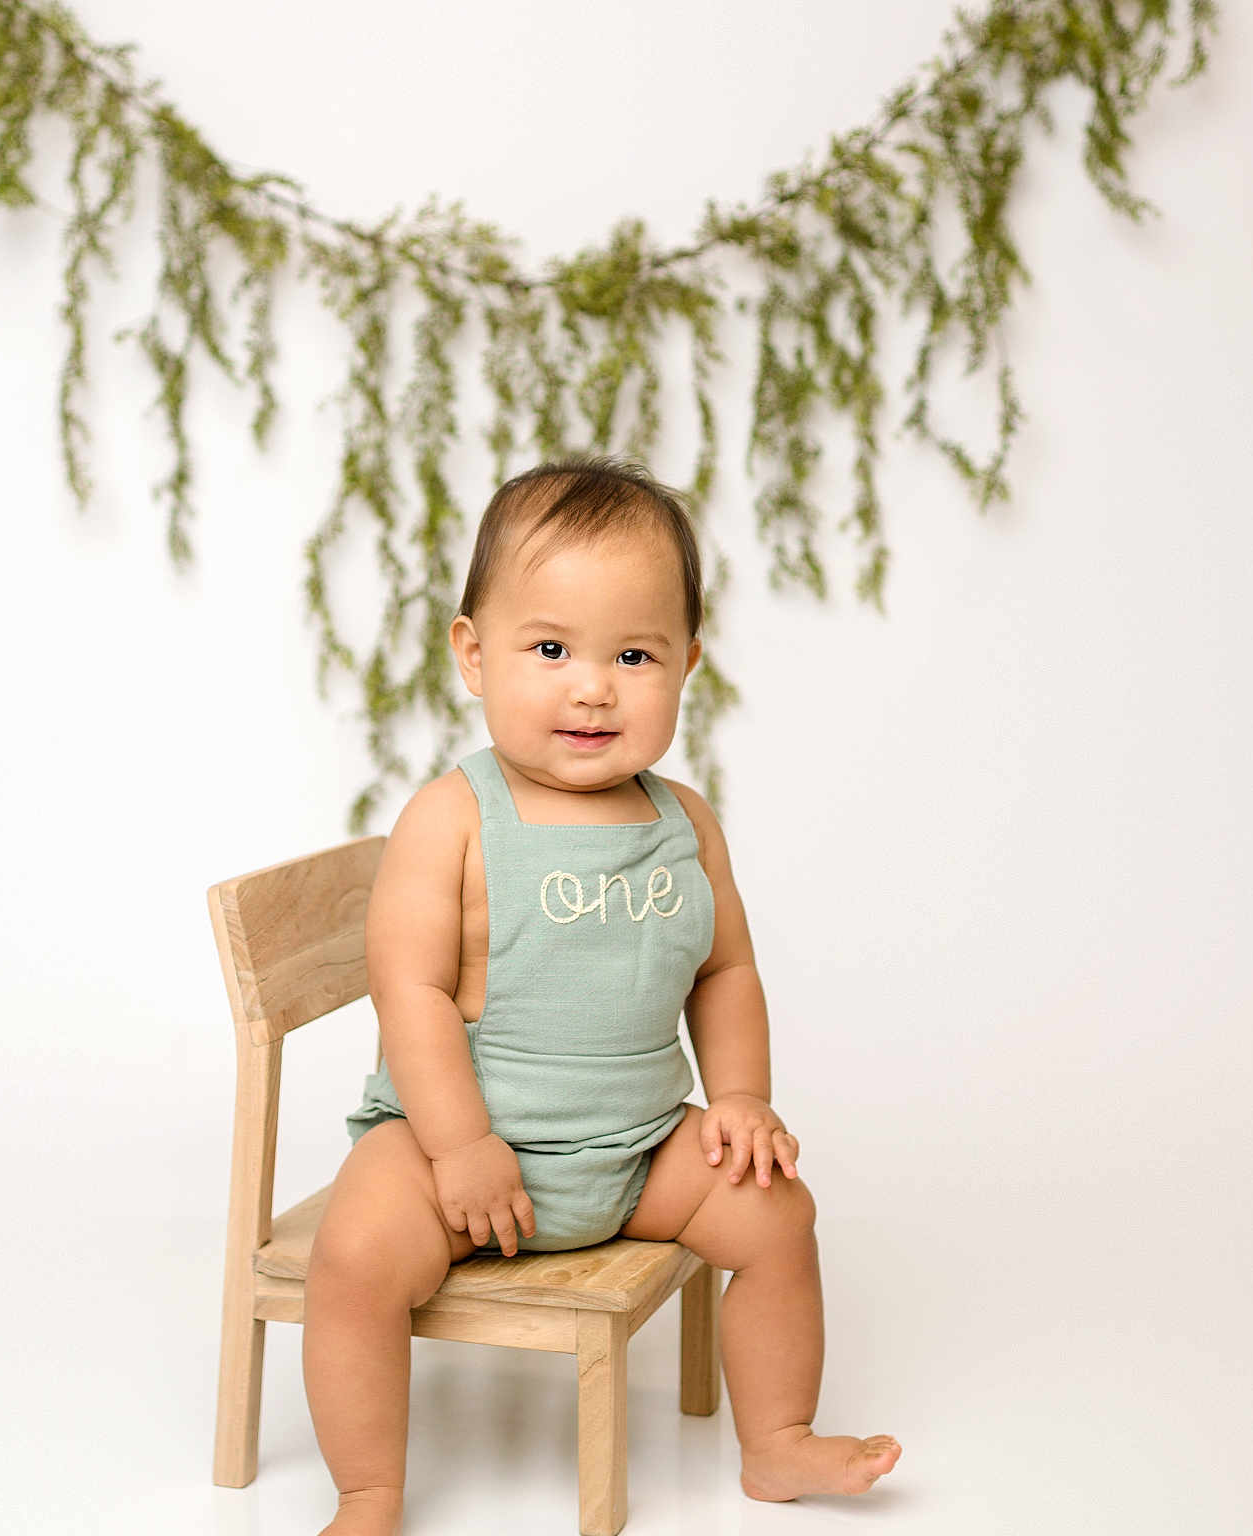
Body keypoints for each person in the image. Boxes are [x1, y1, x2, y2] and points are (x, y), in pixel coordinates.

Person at [303, 454, 901, 1535]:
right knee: (352, 1261)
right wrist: (459, 1146)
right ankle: (368, 1492)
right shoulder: (451, 817)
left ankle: (776, 1444)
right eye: (550, 649)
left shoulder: (684, 823)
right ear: (472, 655)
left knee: (778, 1217)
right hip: (456, 1151)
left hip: (632, 1151)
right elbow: (412, 994)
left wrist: (742, 1100)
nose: (593, 686)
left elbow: (724, 971)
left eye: (635, 654)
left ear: (688, 665)